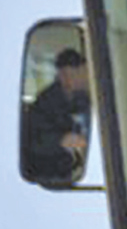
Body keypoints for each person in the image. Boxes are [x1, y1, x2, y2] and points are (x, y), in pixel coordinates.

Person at [23, 46, 90, 182]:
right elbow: (32, 141)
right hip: (53, 173)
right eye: (78, 73)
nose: (85, 78)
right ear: (62, 75)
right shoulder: (44, 103)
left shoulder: (85, 98)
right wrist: (61, 141)